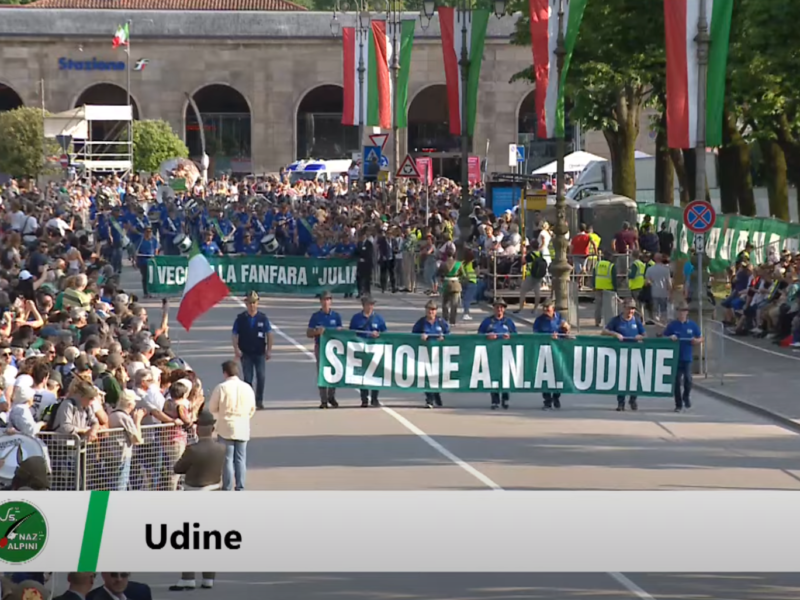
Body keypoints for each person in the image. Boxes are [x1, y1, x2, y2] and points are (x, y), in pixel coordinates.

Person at [208, 360, 256, 491]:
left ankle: (227, 486)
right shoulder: (247, 387)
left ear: (225, 373)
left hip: (226, 425)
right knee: (240, 459)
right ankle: (240, 486)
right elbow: (252, 408)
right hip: (242, 425)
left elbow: (212, 407)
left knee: (227, 459)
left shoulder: (221, 387)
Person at [602, 297, 645, 411]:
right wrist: (615, 334)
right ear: (623, 308)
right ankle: (621, 402)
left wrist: (639, 337)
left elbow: (644, 334)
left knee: (634, 378)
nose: (630, 311)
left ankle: (633, 399)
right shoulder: (616, 320)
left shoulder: (636, 320)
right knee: (621, 379)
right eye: (628, 308)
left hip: (634, 353)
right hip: (620, 354)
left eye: (632, 309)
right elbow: (604, 331)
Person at [232, 291, 272, 410]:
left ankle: (259, 400)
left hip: (259, 352)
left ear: (257, 303)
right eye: (249, 303)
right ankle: (249, 402)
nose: (252, 305)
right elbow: (234, 334)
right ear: (246, 304)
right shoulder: (240, 319)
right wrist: (236, 350)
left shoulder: (263, 318)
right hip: (246, 353)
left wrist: (269, 350)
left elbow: (269, 334)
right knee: (248, 379)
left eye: (254, 303)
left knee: (261, 377)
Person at [662, 302, 703, 412]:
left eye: (684, 311)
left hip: (687, 356)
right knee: (676, 381)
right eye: (680, 311)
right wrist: (670, 337)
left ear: (687, 312)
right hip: (675, 357)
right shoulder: (672, 325)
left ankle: (686, 396)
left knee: (688, 380)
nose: (682, 313)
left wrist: (696, 341)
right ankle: (678, 404)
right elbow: (663, 336)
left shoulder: (692, 325)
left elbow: (700, 337)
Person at [477, 298, 517, 410]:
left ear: (504, 309)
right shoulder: (487, 322)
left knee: (505, 377)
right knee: (493, 376)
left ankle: (505, 399)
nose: (499, 309)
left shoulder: (508, 322)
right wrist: (487, 336)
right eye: (497, 307)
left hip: (506, 352)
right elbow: (478, 335)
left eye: (501, 307)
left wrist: (510, 337)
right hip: (492, 352)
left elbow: (516, 336)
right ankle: (495, 400)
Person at [306, 290, 343, 409]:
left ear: (331, 301)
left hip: (333, 348)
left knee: (334, 372)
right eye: (324, 300)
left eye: (328, 300)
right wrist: (317, 332)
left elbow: (342, 332)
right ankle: (323, 400)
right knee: (322, 373)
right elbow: (309, 332)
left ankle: (331, 396)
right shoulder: (316, 317)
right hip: (321, 347)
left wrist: (339, 331)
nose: (326, 302)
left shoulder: (336, 316)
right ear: (321, 302)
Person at [348, 295, 387, 407]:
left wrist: (378, 335)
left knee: (376, 374)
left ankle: (375, 398)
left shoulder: (378, 318)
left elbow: (385, 333)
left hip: (375, 350)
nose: (370, 307)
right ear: (363, 305)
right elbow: (351, 333)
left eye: (372, 304)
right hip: (361, 350)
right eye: (368, 304)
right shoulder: (356, 318)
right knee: (362, 375)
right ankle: (364, 398)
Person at [532, 299, 570, 410]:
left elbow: (565, 332)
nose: (545, 310)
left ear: (552, 308)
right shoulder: (539, 320)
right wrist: (548, 336)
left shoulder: (559, 318)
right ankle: (547, 400)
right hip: (544, 349)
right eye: (544, 308)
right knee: (545, 376)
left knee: (558, 375)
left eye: (547, 308)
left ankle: (556, 397)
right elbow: (535, 334)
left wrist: (565, 330)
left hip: (557, 350)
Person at [412, 300, 450, 408]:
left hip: (438, 353)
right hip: (425, 352)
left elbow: (449, 334)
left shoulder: (441, 322)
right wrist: (420, 337)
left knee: (437, 376)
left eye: (433, 310)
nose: (431, 312)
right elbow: (413, 334)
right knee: (426, 376)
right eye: (429, 309)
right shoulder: (421, 322)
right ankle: (429, 398)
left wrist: (444, 338)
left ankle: (436, 394)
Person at [438, 246, 463, 326]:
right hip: (456, 285)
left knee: (445, 304)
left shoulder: (443, 264)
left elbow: (439, 273)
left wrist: (442, 278)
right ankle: (453, 321)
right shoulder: (458, 264)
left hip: (446, 284)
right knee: (454, 304)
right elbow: (463, 274)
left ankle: (445, 319)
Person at [135, 226, 158, 299]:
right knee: (145, 277)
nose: (148, 233)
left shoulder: (154, 240)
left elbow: (156, 250)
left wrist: (156, 258)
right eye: (147, 232)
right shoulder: (140, 240)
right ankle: (146, 293)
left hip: (151, 261)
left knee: (151, 277)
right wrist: (135, 261)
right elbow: (136, 251)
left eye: (150, 231)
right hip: (143, 261)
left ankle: (151, 292)